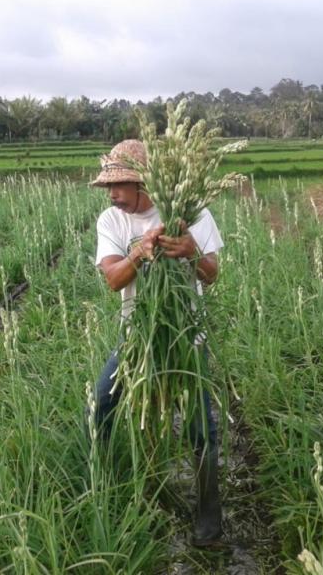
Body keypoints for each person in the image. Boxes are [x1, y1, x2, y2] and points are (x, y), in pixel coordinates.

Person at [89, 139, 224, 547]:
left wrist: (190, 252)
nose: (112, 193)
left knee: (202, 426)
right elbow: (113, 280)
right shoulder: (111, 221)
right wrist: (140, 254)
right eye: (109, 186)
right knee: (102, 405)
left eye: (120, 184)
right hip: (138, 338)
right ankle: (106, 486)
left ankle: (209, 515)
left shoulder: (191, 213)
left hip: (187, 336)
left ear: (144, 182)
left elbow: (212, 273)